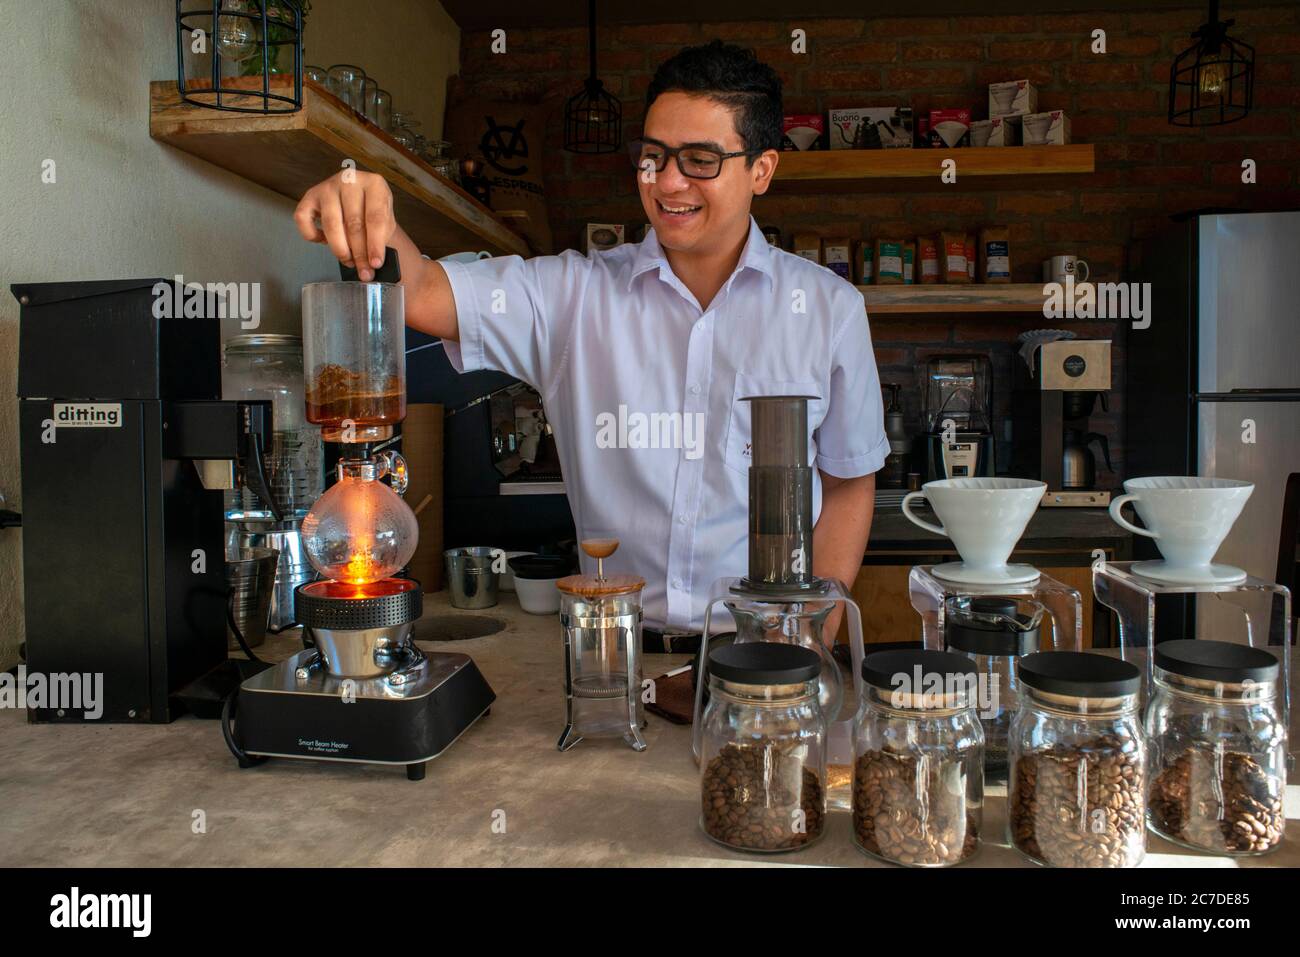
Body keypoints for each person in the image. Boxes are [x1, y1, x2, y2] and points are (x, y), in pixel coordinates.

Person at [294, 40, 887, 643]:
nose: (668, 181)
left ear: (761, 169)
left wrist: (815, 634)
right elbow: (420, 291)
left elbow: (847, 482)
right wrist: (367, 210)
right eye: (653, 156)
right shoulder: (574, 295)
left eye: (700, 159)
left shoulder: (827, 308)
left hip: (765, 657)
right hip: (613, 661)